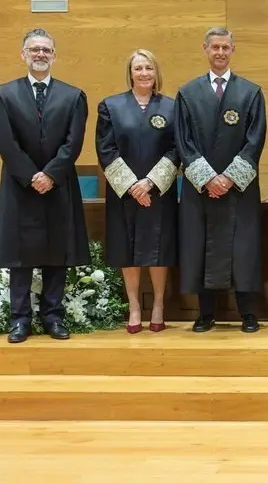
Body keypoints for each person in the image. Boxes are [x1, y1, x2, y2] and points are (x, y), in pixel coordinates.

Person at [0, 28, 88, 344]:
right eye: (34, 49)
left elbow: (73, 144)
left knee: (56, 253)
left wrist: (51, 175)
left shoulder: (73, 96)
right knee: (21, 255)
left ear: (54, 55)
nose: (40, 54)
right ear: (23, 54)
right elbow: (6, 142)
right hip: (21, 186)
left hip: (58, 186)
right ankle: (20, 320)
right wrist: (32, 176)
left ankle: (53, 317)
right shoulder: (3, 94)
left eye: (46, 49)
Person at [175, 27, 267, 333]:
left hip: (238, 189)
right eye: (214, 47)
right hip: (201, 189)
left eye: (225, 47)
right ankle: (206, 314)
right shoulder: (187, 94)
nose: (220, 53)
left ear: (233, 50)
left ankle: (248, 313)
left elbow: (255, 141)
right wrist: (207, 178)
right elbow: (183, 142)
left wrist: (228, 178)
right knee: (201, 247)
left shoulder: (250, 93)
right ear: (205, 49)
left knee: (243, 250)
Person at [96, 49, 179, 334]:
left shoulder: (172, 107)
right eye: (138, 68)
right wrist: (132, 186)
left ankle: (157, 305)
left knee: (159, 249)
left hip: (159, 191)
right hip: (124, 193)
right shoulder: (111, 106)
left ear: (157, 73)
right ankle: (134, 306)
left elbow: (176, 148)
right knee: (127, 249)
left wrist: (151, 183)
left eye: (149, 68)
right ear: (130, 73)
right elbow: (106, 149)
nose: (144, 73)